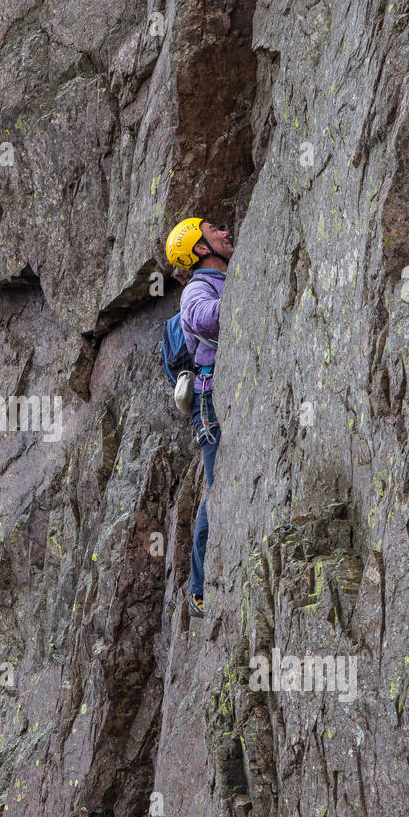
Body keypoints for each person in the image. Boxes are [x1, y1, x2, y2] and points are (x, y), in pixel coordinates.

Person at [164, 217, 233, 617]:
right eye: (213, 230)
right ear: (201, 248)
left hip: (217, 398)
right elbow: (204, 318)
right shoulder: (197, 289)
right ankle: (199, 587)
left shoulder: (218, 280)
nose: (225, 231)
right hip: (209, 405)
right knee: (216, 486)